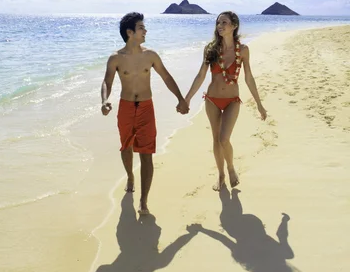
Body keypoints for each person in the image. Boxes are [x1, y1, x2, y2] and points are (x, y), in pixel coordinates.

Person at [101, 12, 189, 215]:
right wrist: (105, 101)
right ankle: (130, 176)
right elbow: (107, 82)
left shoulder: (150, 55)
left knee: (147, 153)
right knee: (126, 146)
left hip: (146, 107)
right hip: (126, 106)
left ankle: (143, 201)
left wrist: (181, 99)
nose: (145, 30)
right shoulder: (116, 58)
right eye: (141, 27)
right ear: (130, 32)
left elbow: (166, 77)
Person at [184, 11, 267, 191]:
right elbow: (201, 75)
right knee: (216, 139)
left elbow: (249, 78)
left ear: (234, 26)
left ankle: (230, 168)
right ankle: (220, 174)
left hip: (232, 100)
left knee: (224, 138)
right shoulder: (211, 49)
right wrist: (187, 98)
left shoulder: (243, 50)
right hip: (212, 100)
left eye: (224, 22)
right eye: (218, 22)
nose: (220, 25)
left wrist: (259, 104)